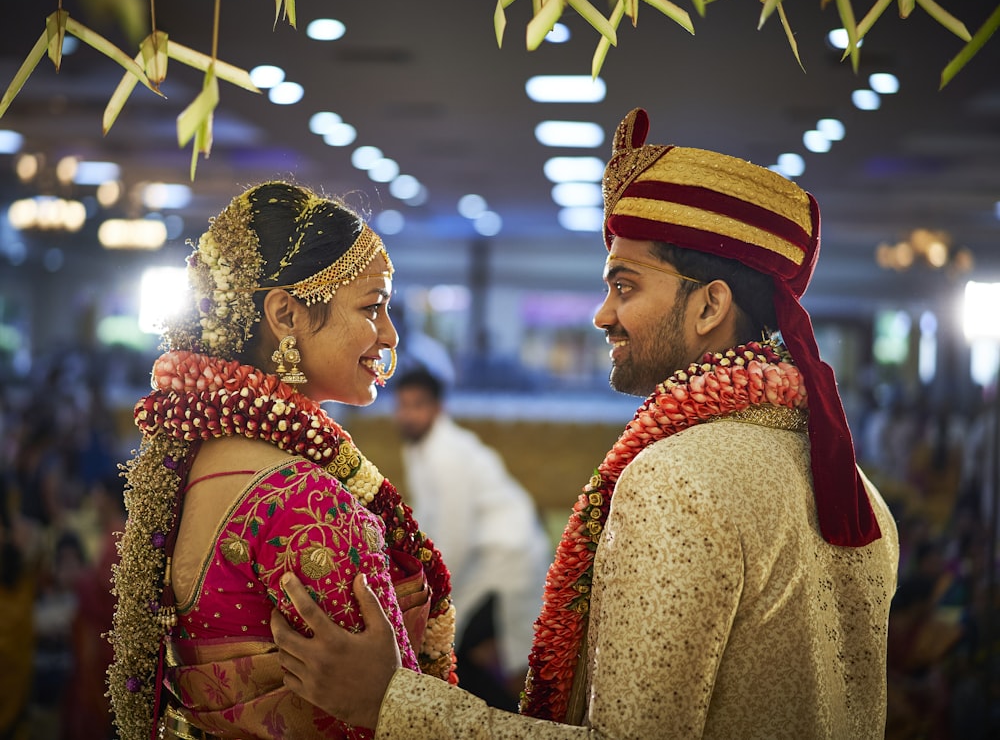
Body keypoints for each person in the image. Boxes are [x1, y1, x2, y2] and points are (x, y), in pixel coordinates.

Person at [268, 109, 900, 738]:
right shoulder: (858, 495)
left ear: (710, 304)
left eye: (624, 287)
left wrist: (390, 701)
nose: (602, 315)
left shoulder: (679, 483)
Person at [106, 182, 457, 740]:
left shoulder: (198, 458)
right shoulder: (305, 500)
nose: (390, 334)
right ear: (286, 314)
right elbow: (382, 717)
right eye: (372, 307)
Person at [392, 368, 551, 710]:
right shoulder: (423, 448)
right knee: (465, 656)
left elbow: (453, 538)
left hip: (507, 562)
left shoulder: (448, 454)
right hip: (485, 562)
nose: (407, 415)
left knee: (457, 653)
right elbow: (430, 524)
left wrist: (431, 602)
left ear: (437, 408)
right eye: (402, 405)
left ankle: (511, 724)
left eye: (417, 405)